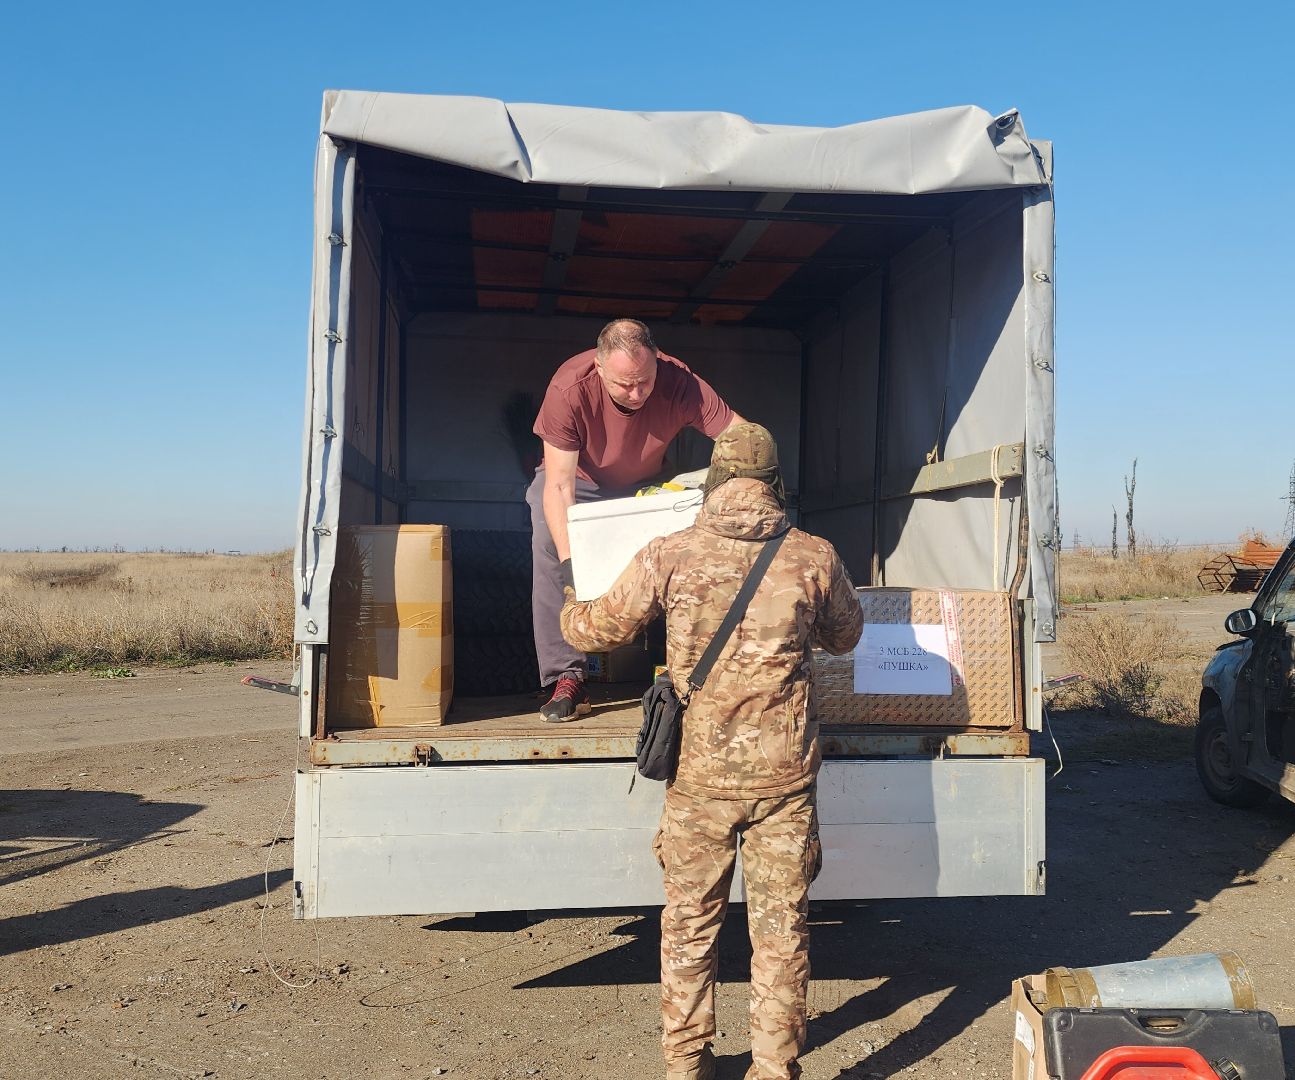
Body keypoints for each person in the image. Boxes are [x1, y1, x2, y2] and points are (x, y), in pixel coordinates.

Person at [559, 423, 864, 1080]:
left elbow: (600, 629)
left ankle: (685, 1067)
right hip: (784, 783)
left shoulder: (668, 552)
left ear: (717, 478)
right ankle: (775, 1068)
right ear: (774, 482)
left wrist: (564, 599)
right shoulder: (813, 555)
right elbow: (846, 638)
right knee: (780, 935)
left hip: (698, 783)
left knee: (689, 930)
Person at [528, 317, 743, 722]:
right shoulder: (568, 388)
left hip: (647, 484)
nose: (637, 392)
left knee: (694, 549)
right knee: (547, 539)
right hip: (581, 482)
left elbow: (743, 435)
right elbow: (558, 487)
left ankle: (689, 670)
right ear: (598, 366)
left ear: (657, 361)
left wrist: (752, 480)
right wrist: (573, 565)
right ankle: (566, 678)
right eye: (624, 384)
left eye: (645, 380)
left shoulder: (680, 382)